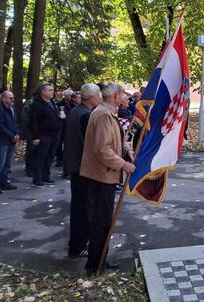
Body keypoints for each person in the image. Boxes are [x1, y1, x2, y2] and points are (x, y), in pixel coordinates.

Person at [79, 83, 136, 275]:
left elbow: (115, 141)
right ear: (115, 96)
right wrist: (124, 164)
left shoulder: (107, 112)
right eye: (122, 95)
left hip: (105, 175)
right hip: (101, 176)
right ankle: (95, 265)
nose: (125, 98)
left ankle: (100, 260)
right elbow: (102, 149)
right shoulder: (103, 114)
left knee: (103, 221)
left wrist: (127, 150)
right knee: (100, 221)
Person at [64, 83, 100, 258]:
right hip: (82, 168)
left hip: (76, 165)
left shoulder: (76, 111)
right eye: (98, 95)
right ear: (92, 98)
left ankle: (77, 243)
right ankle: (78, 245)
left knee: (80, 206)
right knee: (83, 208)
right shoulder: (86, 115)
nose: (100, 97)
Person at [29, 83, 63, 187]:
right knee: (40, 157)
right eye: (50, 90)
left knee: (50, 156)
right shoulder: (37, 104)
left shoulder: (52, 102)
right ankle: (37, 178)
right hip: (43, 134)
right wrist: (35, 137)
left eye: (52, 90)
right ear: (43, 91)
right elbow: (33, 121)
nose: (52, 92)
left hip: (54, 134)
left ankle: (46, 175)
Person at [0, 91, 20, 194]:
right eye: (10, 98)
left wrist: (16, 134)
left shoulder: (11, 109)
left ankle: (5, 181)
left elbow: (14, 123)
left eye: (13, 98)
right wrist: (11, 136)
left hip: (11, 140)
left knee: (8, 163)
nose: (12, 100)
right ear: (4, 99)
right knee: (0, 163)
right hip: (1, 140)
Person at [55, 89, 74, 170]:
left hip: (68, 127)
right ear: (65, 96)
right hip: (61, 126)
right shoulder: (59, 104)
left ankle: (65, 159)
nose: (71, 97)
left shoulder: (72, 104)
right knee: (59, 144)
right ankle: (59, 159)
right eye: (69, 96)